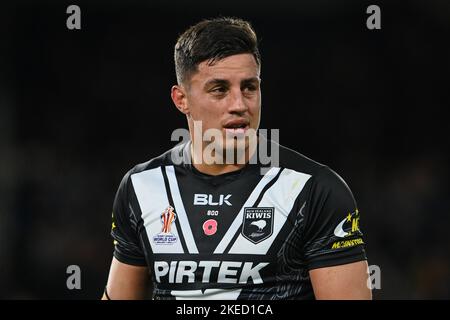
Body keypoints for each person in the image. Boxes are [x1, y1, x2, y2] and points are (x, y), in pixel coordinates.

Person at [102, 17, 371, 300]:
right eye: (219, 89)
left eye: (249, 87)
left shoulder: (314, 190)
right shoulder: (141, 187)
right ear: (181, 99)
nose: (239, 104)